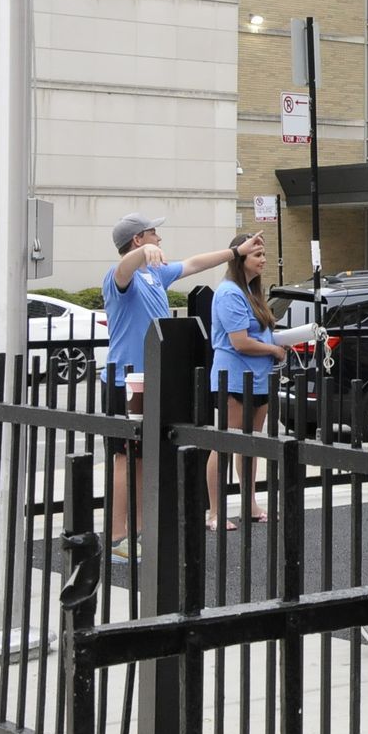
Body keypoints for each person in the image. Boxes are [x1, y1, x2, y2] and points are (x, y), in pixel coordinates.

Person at [100, 214, 263, 561]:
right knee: (124, 458)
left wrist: (235, 253)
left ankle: (138, 533)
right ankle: (116, 538)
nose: (160, 238)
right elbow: (122, 269)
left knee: (144, 459)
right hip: (124, 380)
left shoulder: (156, 273)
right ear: (138, 239)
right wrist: (140, 255)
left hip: (154, 377)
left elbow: (193, 263)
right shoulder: (121, 277)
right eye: (153, 234)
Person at [205, 236, 286, 530]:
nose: (263, 260)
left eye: (264, 254)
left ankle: (250, 505)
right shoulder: (229, 292)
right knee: (225, 443)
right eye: (257, 255)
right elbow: (239, 342)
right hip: (235, 377)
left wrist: (276, 345)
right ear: (240, 259)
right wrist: (274, 350)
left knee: (250, 444)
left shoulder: (252, 292)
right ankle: (214, 512)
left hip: (259, 378)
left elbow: (258, 336)